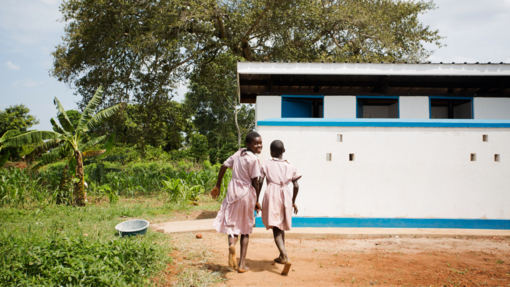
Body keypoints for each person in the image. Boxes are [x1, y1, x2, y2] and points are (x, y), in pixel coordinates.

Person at [210, 132, 263, 273]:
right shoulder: (254, 160)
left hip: (233, 191)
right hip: (246, 193)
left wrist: (218, 185)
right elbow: (256, 181)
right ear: (248, 145)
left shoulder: (238, 153)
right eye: (256, 143)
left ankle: (231, 245)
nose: (259, 145)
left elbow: (223, 166)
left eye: (260, 142)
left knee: (232, 223)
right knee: (245, 229)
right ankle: (242, 265)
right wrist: (257, 201)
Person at [259, 140, 301, 276]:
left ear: (271, 152)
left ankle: (285, 256)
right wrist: (293, 201)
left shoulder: (266, 163)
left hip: (272, 193)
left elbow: (259, 181)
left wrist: (256, 198)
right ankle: (281, 256)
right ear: (283, 151)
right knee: (281, 225)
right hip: (286, 194)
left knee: (276, 228)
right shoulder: (290, 165)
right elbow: (296, 186)